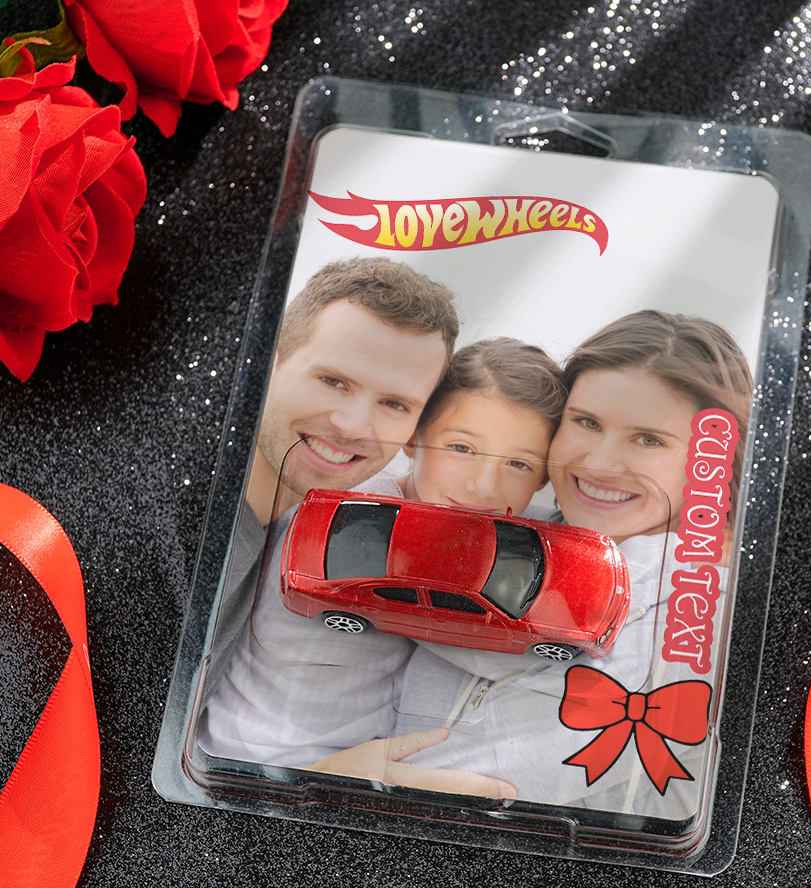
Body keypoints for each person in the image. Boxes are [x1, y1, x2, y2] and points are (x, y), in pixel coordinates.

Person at [379, 311, 752, 818]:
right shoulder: (514, 524)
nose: (599, 463)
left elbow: (485, 785)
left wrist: (330, 774)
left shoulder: (694, 616)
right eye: (586, 422)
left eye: (649, 439)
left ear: (711, 464)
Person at [201, 339, 567, 791]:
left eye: (518, 464)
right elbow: (494, 650)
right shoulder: (365, 521)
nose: (484, 485)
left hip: (317, 767)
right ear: (413, 437)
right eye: (462, 448)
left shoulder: (441, 513)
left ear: (545, 476)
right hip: (256, 768)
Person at [205, 255, 459, 694]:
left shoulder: (291, 537)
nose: (353, 426)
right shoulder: (182, 527)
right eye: (333, 380)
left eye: (394, 404)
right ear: (268, 362)